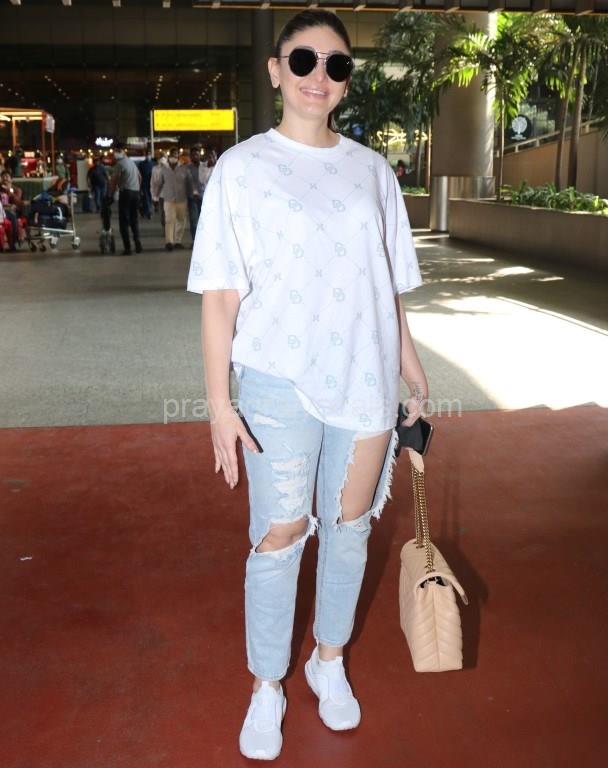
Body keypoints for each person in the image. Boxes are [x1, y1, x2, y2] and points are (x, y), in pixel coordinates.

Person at [186, 9, 427, 761]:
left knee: (349, 531)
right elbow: (221, 295)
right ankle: (267, 683)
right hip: (275, 383)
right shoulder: (241, 169)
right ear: (276, 69)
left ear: (347, 80)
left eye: (336, 65)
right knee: (279, 535)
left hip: (365, 379)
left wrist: (411, 366)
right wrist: (219, 404)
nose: (319, 76)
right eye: (303, 60)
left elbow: (388, 284)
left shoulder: (373, 172)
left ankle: (329, 660)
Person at [151, 147, 189, 251]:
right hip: (168, 199)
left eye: (175, 154)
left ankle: (178, 241)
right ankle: (169, 242)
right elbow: (159, 183)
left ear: (178, 156)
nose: (174, 156)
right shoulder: (164, 169)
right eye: (172, 155)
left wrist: (192, 193)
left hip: (182, 198)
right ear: (169, 156)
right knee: (169, 220)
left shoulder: (184, 168)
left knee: (181, 220)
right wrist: (155, 197)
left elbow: (188, 182)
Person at [109, 140, 142, 255]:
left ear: (121, 151)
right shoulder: (131, 162)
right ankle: (137, 242)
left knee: (124, 221)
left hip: (126, 193)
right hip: (135, 193)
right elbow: (140, 177)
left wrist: (110, 195)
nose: (115, 153)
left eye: (116, 151)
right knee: (134, 219)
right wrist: (137, 189)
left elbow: (114, 181)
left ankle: (127, 248)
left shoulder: (119, 164)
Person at [185, 145, 203, 243]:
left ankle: (203, 241)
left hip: (204, 197)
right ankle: (195, 241)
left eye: (196, 154)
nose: (195, 156)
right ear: (190, 156)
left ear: (199, 155)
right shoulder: (187, 168)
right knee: (193, 220)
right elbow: (187, 182)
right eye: (193, 155)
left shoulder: (204, 166)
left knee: (203, 221)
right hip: (192, 198)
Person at [139, 148, 155, 219]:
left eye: (149, 154)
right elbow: (139, 175)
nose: (148, 155)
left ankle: (144, 211)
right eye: (147, 154)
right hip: (144, 184)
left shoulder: (153, 164)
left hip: (152, 184)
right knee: (145, 198)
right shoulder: (141, 164)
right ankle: (149, 212)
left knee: (149, 199)